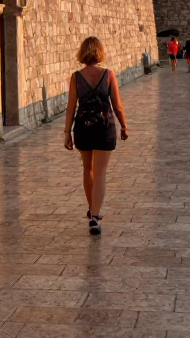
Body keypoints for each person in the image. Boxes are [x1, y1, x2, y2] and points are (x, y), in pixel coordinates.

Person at [63, 36, 129, 235]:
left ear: (82, 53)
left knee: (87, 169)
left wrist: (67, 132)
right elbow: (117, 105)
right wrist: (124, 126)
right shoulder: (108, 75)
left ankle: (92, 209)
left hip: (83, 127)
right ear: (100, 52)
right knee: (100, 172)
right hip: (104, 126)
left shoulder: (76, 77)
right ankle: (95, 216)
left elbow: (70, 107)